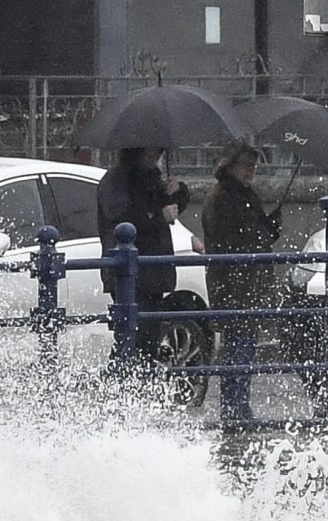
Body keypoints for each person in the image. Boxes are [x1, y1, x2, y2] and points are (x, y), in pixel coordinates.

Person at [201, 145, 281, 425]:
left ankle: (239, 406)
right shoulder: (222, 198)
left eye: (254, 166)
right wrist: (257, 232)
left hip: (248, 283)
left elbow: (257, 235)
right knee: (238, 347)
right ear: (230, 166)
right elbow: (230, 239)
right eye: (245, 164)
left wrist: (269, 227)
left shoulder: (246, 196)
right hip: (233, 284)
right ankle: (234, 407)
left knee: (245, 346)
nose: (250, 171)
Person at [95, 146, 187, 312]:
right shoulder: (116, 180)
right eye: (151, 151)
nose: (155, 156)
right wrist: (160, 217)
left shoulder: (151, 177)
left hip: (154, 269)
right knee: (134, 326)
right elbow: (122, 220)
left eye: (159, 151)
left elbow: (166, 204)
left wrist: (178, 191)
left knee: (150, 327)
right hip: (130, 270)